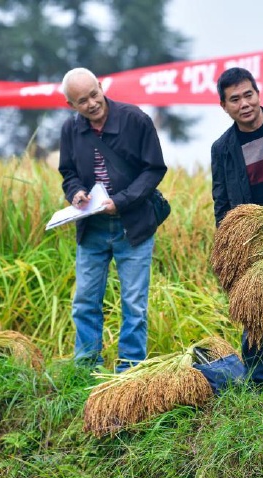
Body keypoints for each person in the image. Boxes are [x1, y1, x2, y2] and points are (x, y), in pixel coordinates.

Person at [58, 67, 167, 372]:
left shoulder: (136, 120)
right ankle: (85, 368)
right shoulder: (70, 130)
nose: (91, 103)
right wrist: (76, 192)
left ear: (101, 86)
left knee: (133, 304)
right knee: (85, 301)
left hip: (133, 226)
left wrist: (120, 202)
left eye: (94, 94)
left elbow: (154, 169)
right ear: (71, 105)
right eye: (82, 101)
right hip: (91, 228)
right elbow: (68, 172)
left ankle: (129, 370)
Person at [211, 67, 263, 389]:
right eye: (235, 99)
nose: (244, 104)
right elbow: (221, 201)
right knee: (254, 312)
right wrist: (231, 245)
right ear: (224, 106)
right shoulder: (222, 148)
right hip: (253, 239)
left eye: (248, 95)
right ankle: (258, 382)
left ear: (259, 93)